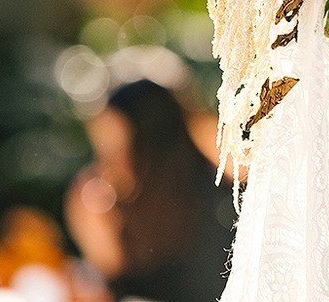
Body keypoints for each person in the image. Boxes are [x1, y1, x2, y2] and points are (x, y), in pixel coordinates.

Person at [64, 78, 236, 302]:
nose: (106, 166)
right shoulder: (112, 211)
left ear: (152, 147)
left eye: (117, 146)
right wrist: (102, 243)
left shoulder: (223, 200)